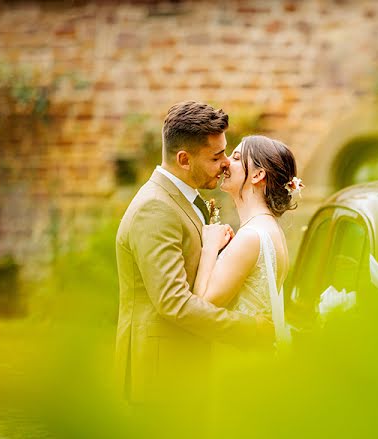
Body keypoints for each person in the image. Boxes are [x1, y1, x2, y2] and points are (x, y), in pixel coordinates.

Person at [114, 102, 271, 406]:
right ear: (184, 159)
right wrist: (249, 330)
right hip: (161, 373)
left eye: (225, 153)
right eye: (216, 157)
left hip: (183, 365)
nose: (226, 164)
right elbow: (173, 302)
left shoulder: (183, 198)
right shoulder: (155, 208)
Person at [193, 135, 301, 346]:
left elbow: (202, 308)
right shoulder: (270, 230)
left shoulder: (251, 236)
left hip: (239, 360)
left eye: (235, 157)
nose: (225, 163)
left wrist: (210, 246)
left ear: (258, 175)